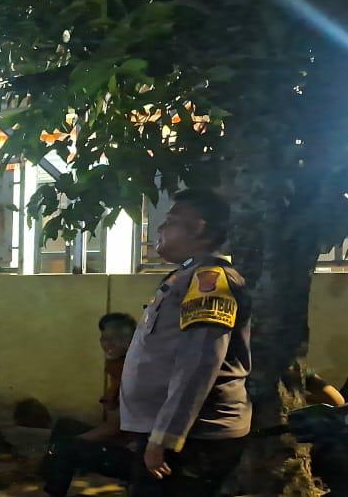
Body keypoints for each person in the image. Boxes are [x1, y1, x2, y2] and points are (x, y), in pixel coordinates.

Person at [120, 189, 251, 497]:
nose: (160, 228)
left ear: (199, 229)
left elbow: (200, 363)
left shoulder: (210, 280)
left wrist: (166, 436)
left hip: (194, 437)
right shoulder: (185, 276)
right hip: (177, 432)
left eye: (171, 221)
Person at [40, 313, 136, 496]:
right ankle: (48, 477)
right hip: (123, 442)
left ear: (133, 340)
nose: (108, 344)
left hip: (138, 457)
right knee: (65, 426)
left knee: (66, 448)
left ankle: (53, 490)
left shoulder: (134, 371)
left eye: (118, 338)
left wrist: (76, 442)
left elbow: (114, 428)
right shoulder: (117, 365)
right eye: (105, 338)